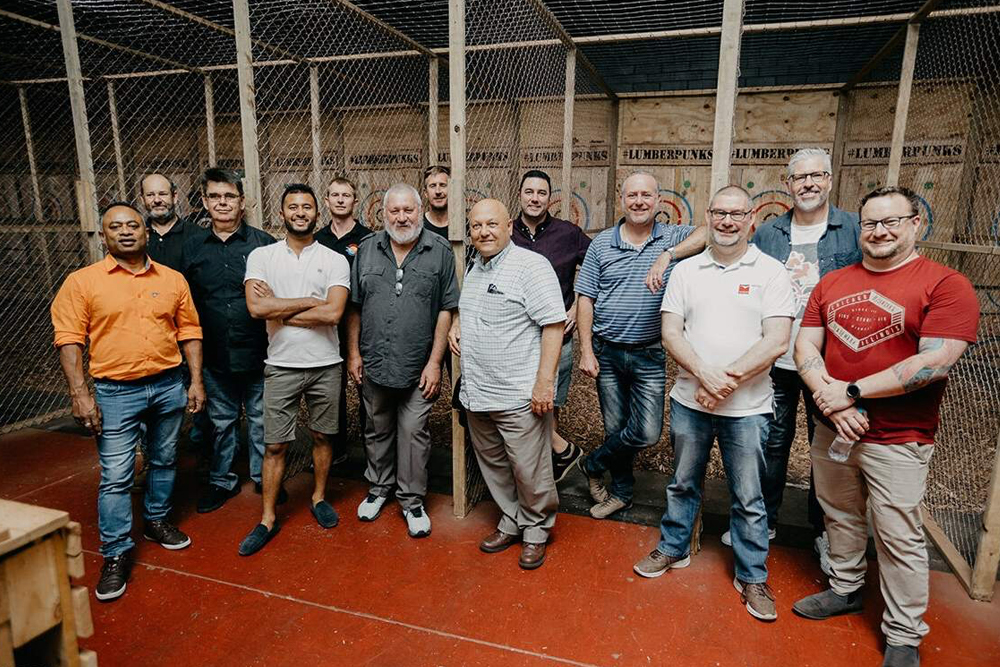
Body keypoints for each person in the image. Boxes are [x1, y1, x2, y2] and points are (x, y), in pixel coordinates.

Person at [792, 186, 978, 667]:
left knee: (899, 534)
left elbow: (935, 362)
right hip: (833, 426)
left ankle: (903, 633)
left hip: (898, 437)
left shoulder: (945, 284)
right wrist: (831, 404)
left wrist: (851, 392)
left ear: (916, 224)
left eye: (892, 221)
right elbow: (805, 348)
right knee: (839, 514)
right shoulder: (832, 282)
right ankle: (846, 589)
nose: (880, 231)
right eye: (871, 223)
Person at [632, 186, 794, 623]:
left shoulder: (772, 271)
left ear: (751, 221)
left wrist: (722, 382)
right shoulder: (687, 271)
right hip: (690, 400)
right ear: (708, 217)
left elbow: (777, 340)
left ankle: (752, 575)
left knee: (749, 495)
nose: (726, 221)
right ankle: (674, 548)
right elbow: (671, 333)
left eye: (736, 214)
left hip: (748, 407)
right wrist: (705, 375)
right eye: (719, 213)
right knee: (683, 482)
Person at [51, 202, 205, 602]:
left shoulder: (172, 279)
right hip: (115, 392)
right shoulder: (83, 282)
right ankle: (116, 552)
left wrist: (195, 382)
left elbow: (189, 330)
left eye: (132, 225)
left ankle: (156, 520)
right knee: (117, 475)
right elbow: (69, 338)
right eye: (114, 226)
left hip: (169, 384)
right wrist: (80, 394)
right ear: (103, 236)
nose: (124, 231)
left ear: (146, 231)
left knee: (165, 458)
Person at [736, 148, 861, 573]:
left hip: (831, 364)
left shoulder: (854, 230)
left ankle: (822, 530)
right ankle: (764, 522)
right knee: (771, 441)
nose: (808, 184)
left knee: (826, 447)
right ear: (787, 184)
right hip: (777, 359)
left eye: (816, 176)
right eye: (799, 177)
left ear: (829, 180)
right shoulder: (769, 233)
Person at [574, 171, 707, 519]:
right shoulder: (602, 243)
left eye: (646, 195)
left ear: (659, 201)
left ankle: (591, 463)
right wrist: (586, 350)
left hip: (649, 352)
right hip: (607, 349)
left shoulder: (672, 236)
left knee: (646, 432)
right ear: (622, 199)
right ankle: (621, 492)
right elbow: (585, 297)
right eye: (632, 195)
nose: (639, 202)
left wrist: (668, 255)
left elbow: (708, 233)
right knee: (616, 428)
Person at [450, 198, 565, 569]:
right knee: (495, 465)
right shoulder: (475, 266)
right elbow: (473, 311)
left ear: (509, 225)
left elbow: (553, 324)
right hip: (478, 391)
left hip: (517, 392)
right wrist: (457, 325)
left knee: (529, 469)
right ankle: (512, 519)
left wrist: (544, 383)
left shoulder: (531, 266)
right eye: (476, 226)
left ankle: (536, 529)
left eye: (491, 224)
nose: (483, 232)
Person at [238, 183, 351, 555]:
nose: (300, 212)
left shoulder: (335, 259)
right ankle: (268, 518)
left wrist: (280, 307)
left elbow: (333, 313)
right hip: (281, 365)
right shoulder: (261, 256)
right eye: (293, 207)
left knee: (322, 437)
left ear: (316, 214)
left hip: (326, 365)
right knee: (274, 444)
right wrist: (307, 302)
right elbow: (257, 310)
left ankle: (318, 497)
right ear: (281, 213)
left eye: (307, 207)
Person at [346, 183, 459, 537]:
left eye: (408, 210)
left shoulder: (439, 250)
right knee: (377, 429)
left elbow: (446, 309)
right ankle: (379, 490)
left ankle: (411, 501)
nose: (401, 217)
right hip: (374, 360)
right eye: (394, 211)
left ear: (419, 209)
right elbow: (355, 307)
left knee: (413, 433)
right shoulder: (366, 250)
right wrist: (353, 352)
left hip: (418, 365)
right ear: (383, 214)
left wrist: (434, 363)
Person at [182, 168, 275, 514]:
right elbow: (184, 304)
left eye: (229, 196)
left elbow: (277, 295)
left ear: (242, 201)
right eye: (215, 197)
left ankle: (265, 478)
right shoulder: (192, 248)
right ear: (205, 202)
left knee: (260, 419)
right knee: (220, 423)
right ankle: (221, 481)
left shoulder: (264, 245)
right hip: (214, 355)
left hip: (258, 352)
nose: (223, 203)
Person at [507, 170, 592, 482]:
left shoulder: (567, 233)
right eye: (529, 192)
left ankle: (547, 465)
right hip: (515, 335)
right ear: (520, 195)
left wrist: (576, 303)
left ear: (549, 198)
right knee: (520, 400)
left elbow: (596, 265)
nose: (534, 198)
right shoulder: (505, 231)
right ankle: (558, 452)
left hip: (556, 334)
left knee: (549, 400)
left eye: (541, 193)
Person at [140, 172, 210, 466]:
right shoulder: (137, 237)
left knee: (202, 399)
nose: (157, 199)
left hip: (191, 332)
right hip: (152, 338)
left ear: (175, 197)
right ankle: (150, 458)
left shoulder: (196, 236)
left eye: (163, 194)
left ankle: (206, 457)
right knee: (150, 407)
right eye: (150, 195)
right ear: (143, 200)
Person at [315, 175, 372, 464]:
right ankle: (335, 451)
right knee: (330, 390)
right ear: (326, 201)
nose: (340, 200)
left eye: (346, 195)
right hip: (325, 325)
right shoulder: (317, 240)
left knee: (367, 388)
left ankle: (372, 450)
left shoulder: (368, 238)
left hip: (359, 324)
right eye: (334, 195)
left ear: (355, 200)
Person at [421, 165, 450, 239]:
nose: (438, 191)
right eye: (433, 186)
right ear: (426, 193)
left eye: (443, 185)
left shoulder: (463, 225)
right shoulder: (418, 226)